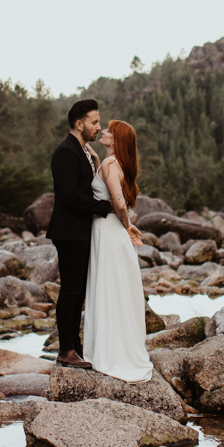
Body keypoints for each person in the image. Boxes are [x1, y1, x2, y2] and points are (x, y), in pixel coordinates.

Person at [83, 119, 154, 383]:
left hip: (111, 232)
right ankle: (112, 346)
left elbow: (119, 202)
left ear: (117, 139)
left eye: (109, 130)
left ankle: (109, 352)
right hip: (112, 233)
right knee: (116, 289)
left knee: (108, 288)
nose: (103, 131)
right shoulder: (117, 163)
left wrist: (128, 226)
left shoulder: (111, 164)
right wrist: (91, 153)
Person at [46, 98, 111, 369]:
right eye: (94, 122)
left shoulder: (83, 150)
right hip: (69, 231)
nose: (98, 126)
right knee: (71, 291)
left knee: (78, 291)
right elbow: (70, 196)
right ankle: (66, 350)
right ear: (79, 123)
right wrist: (104, 207)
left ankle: (75, 345)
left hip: (80, 231)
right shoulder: (65, 152)